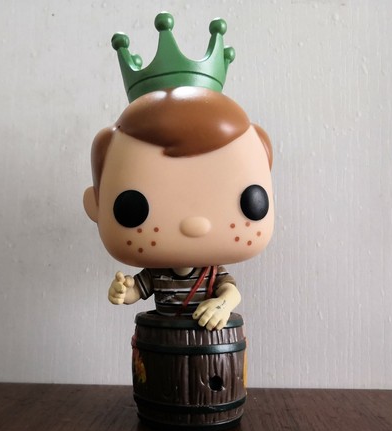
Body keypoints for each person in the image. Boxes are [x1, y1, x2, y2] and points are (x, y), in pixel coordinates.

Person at [83, 86, 274, 330]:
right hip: (162, 339)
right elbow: (135, 292)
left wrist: (222, 305)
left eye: (249, 202)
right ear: (95, 205)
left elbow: (232, 292)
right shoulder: (156, 274)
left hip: (207, 340)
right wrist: (122, 292)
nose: (195, 225)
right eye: (133, 207)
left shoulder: (211, 273)